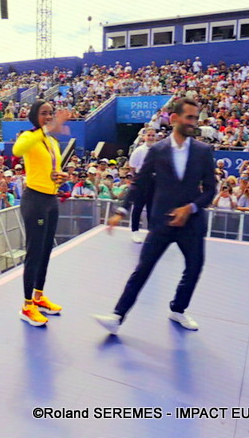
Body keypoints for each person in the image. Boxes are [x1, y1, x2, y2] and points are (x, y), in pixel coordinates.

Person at [95, 98, 216, 334]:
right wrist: (121, 210)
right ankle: (117, 316)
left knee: (194, 267)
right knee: (143, 268)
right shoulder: (157, 150)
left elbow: (211, 189)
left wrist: (189, 208)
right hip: (162, 222)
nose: (193, 122)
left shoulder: (203, 151)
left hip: (192, 223)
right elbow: (139, 185)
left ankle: (178, 310)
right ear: (174, 119)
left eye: (195, 117)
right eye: (189, 117)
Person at [11, 100, 70, 327]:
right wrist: (46, 128)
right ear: (35, 116)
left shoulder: (52, 142)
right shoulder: (28, 136)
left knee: (46, 250)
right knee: (34, 252)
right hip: (34, 200)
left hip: (50, 199)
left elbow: (53, 169)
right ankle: (27, 306)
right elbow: (17, 151)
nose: (48, 116)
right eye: (44, 113)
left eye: (51, 113)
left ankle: (38, 297)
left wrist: (60, 175)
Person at [127, 127, 158, 242]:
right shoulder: (139, 150)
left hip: (154, 181)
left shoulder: (158, 150)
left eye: (152, 135)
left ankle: (151, 232)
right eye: (148, 135)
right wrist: (139, 179)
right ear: (144, 137)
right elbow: (132, 167)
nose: (150, 137)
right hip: (142, 180)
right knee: (138, 207)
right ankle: (135, 231)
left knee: (152, 208)